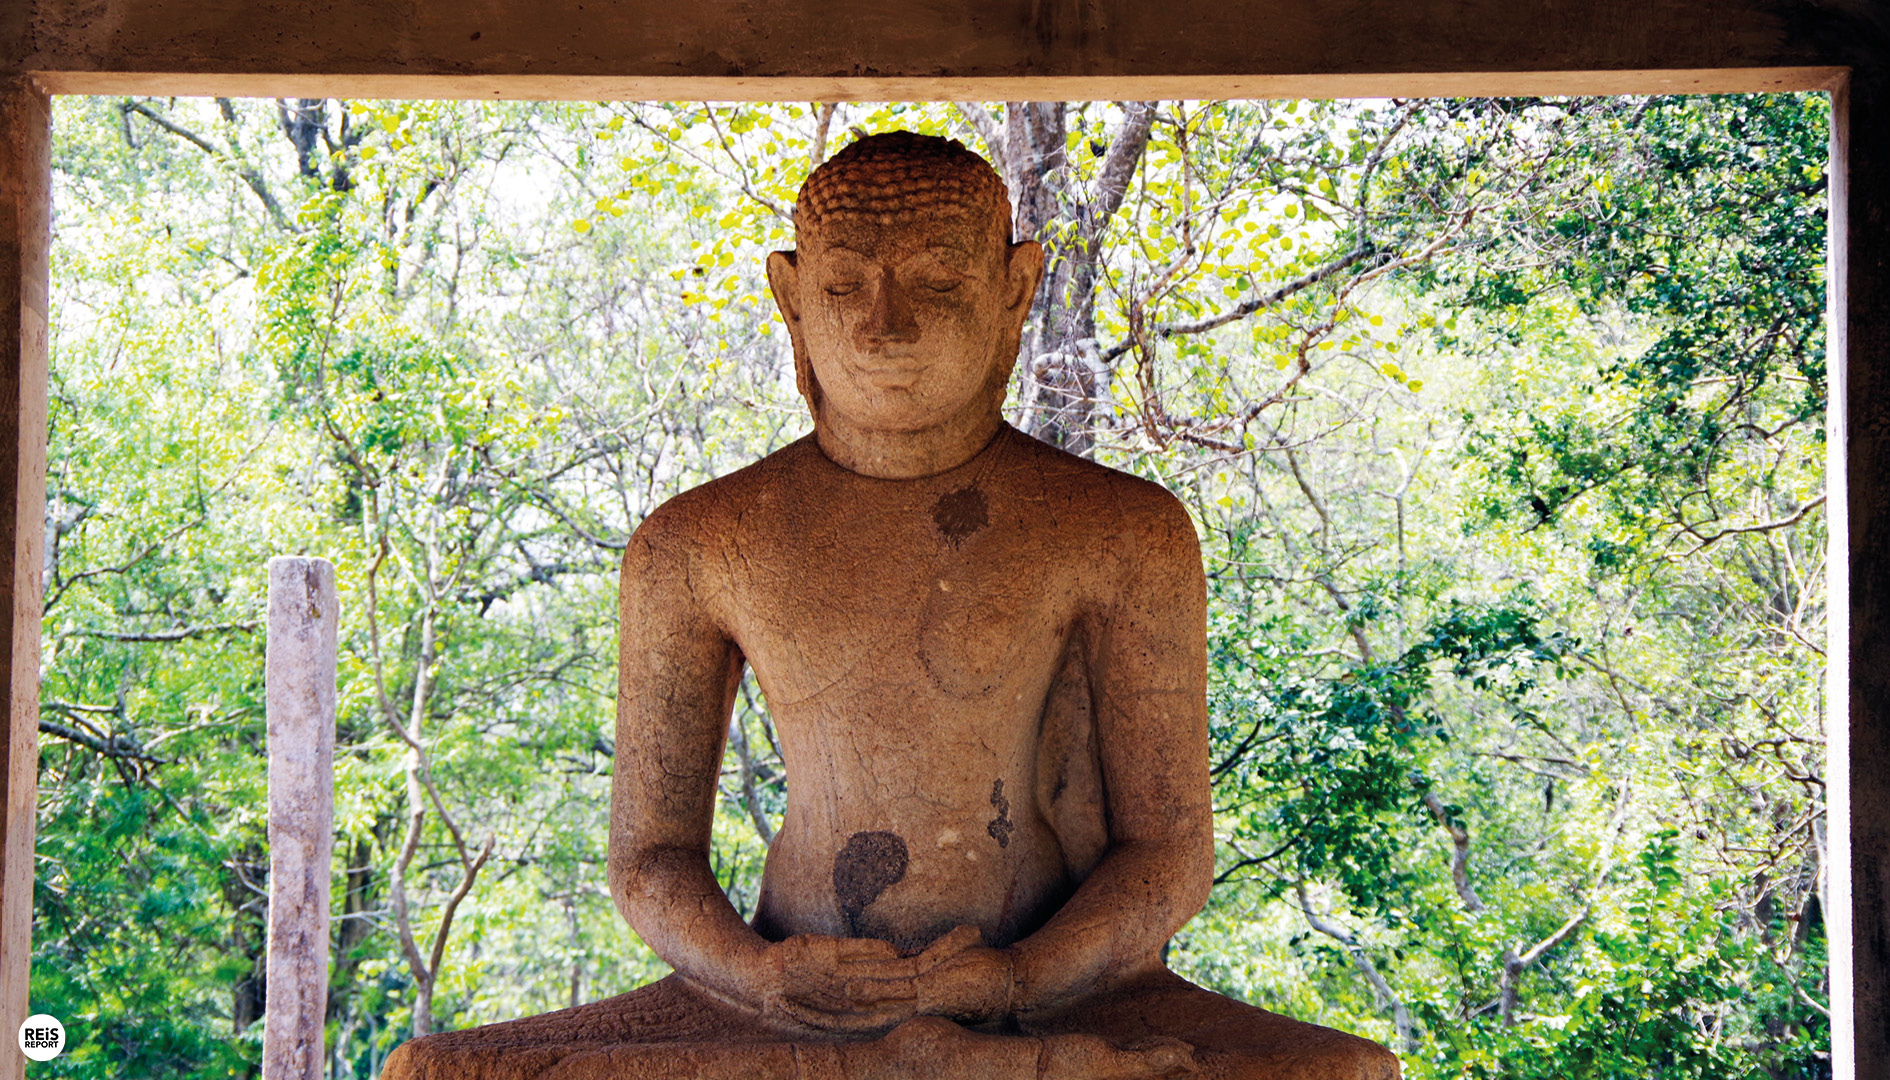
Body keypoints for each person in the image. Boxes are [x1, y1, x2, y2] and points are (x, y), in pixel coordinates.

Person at [382, 132, 1398, 1080]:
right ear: (791, 300)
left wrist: (1017, 981)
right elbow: (651, 861)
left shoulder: (1121, 530)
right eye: (844, 286)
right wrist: (761, 977)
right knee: (436, 1073)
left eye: (937, 283)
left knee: (1343, 1072)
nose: (884, 325)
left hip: (1052, 994)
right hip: (776, 1002)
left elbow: (1167, 853)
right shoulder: (696, 543)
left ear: (1015, 289)